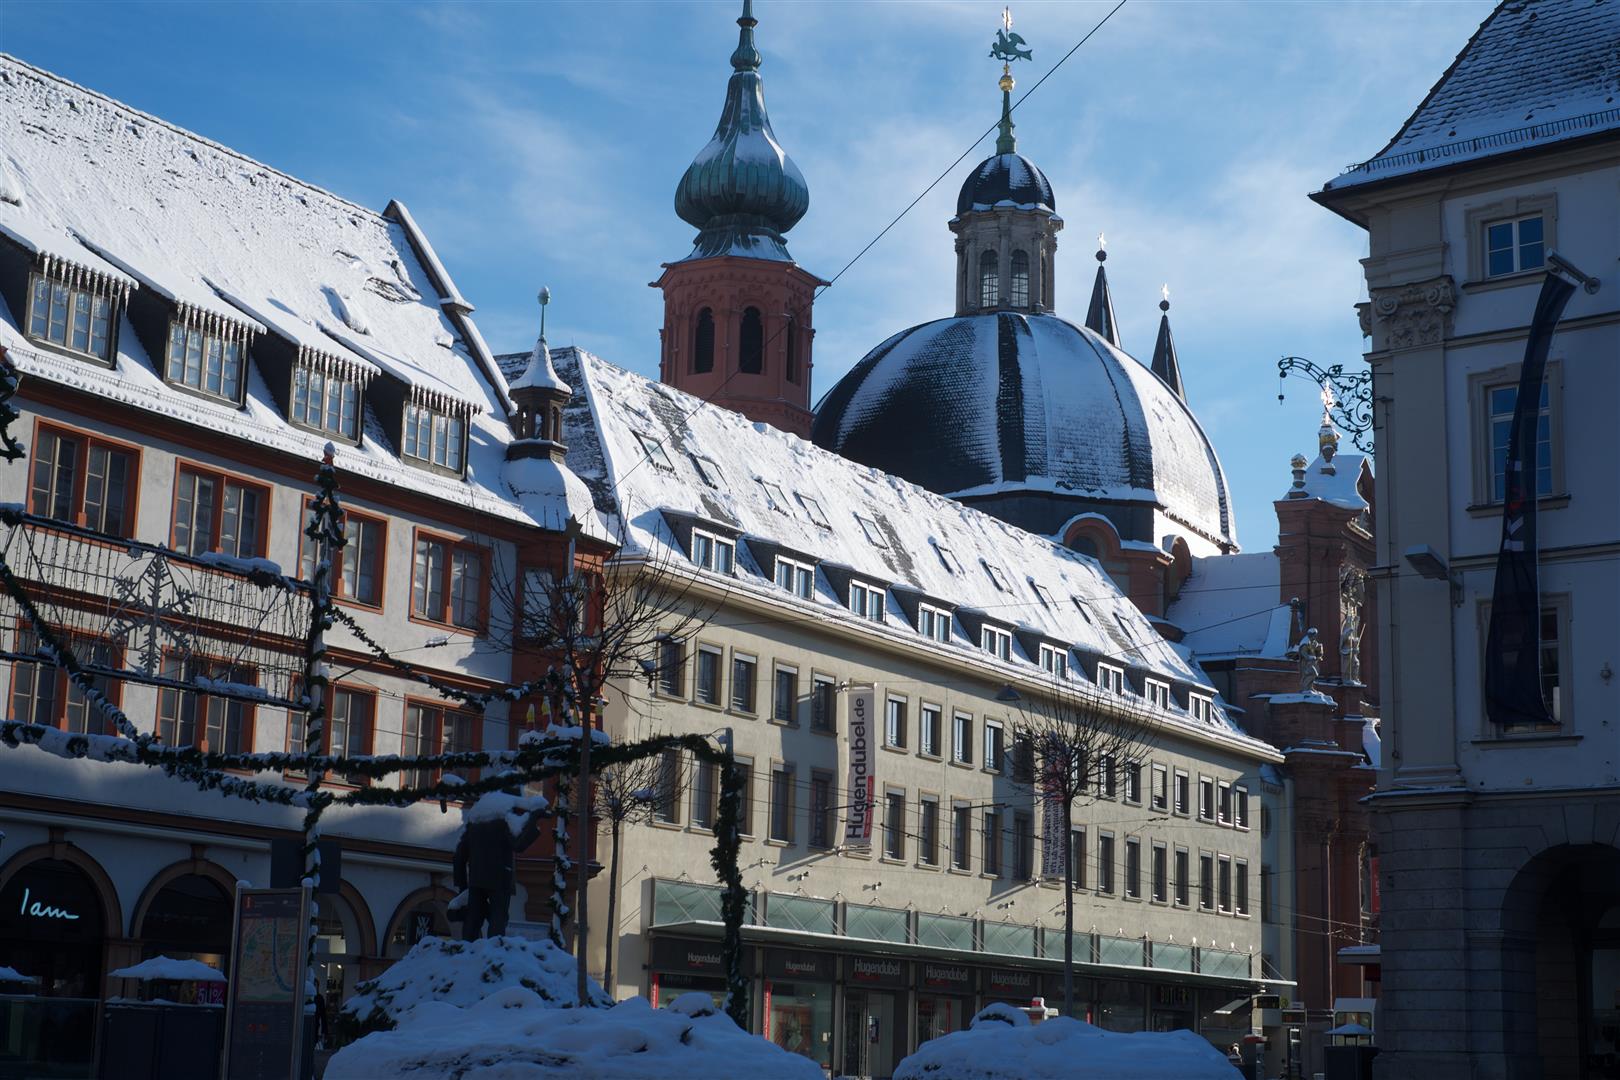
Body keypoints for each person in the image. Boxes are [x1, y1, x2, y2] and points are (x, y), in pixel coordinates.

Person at [452, 791, 548, 940]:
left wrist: (463, 887)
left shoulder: (476, 819)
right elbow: (518, 845)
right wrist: (533, 820)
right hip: (499, 877)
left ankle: (467, 948)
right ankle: (494, 949)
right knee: (498, 918)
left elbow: (459, 856)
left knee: (473, 919)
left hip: (476, 879)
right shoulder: (504, 818)